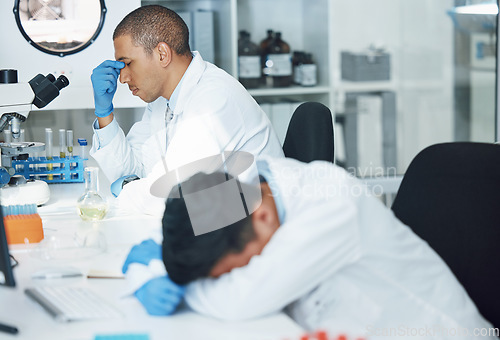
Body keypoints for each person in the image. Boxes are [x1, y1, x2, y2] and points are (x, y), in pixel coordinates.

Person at [123, 156, 495, 338]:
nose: (234, 277)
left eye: (235, 269)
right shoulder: (245, 198)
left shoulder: (331, 204)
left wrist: (164, 276)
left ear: (263, 219)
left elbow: (242, 299)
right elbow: (194, 232)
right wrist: (172, 261)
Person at [89, 5, 283, 210]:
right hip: (212, 218)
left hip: (253, 224)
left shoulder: (213, 99)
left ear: (162, 54)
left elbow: (172, 195)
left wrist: (129, 187)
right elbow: (132, 170)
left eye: (127, 63)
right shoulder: (162, 101)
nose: (123, 77)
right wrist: (105, 113)